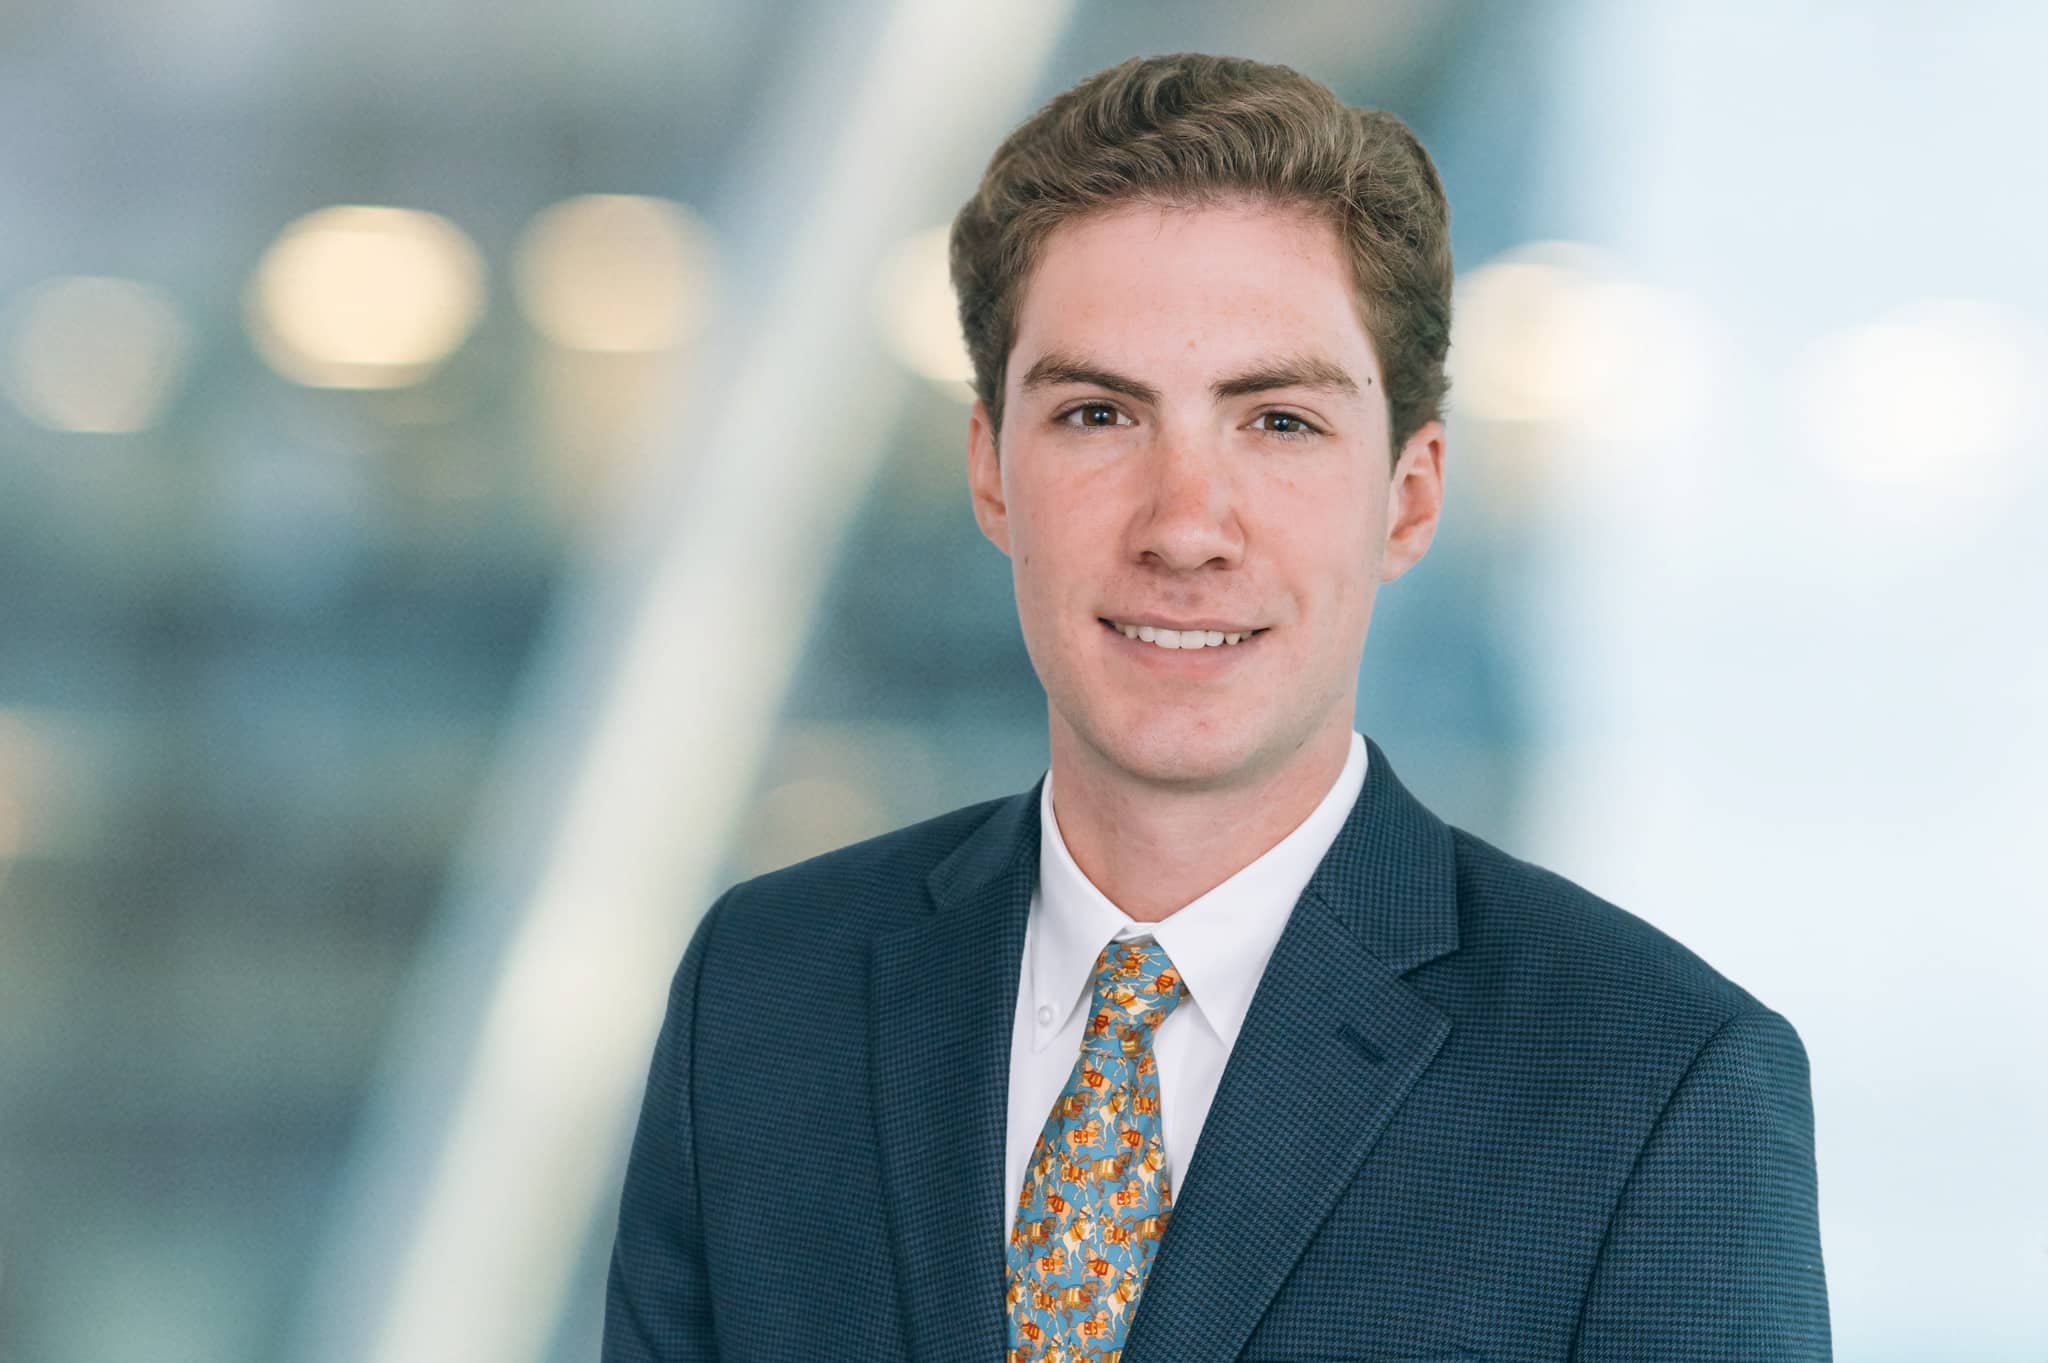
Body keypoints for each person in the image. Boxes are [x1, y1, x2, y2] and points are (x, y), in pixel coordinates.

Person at [602, 52, 1829, 1363]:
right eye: (1096, 414)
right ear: (992, 472)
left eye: (1280, 423)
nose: (1185, 527)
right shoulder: (767, 992)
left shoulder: (1658, 1083)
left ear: (1410, 496)